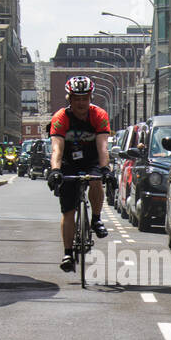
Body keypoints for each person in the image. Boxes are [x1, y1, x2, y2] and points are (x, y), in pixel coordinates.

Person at [47, 76, 111, 271]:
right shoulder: (60, 117)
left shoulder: (98, 115)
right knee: (68, 211)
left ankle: (96, 219)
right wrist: (55, 171)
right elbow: (56, 149)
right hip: (68, 161)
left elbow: (103, 147)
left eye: (85, 98)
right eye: (77, 99)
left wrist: (106, 169)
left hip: (92, 158)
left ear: (90, 97)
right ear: (70, 99)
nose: (81, 103)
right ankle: (67, 253)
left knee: (96, 181)